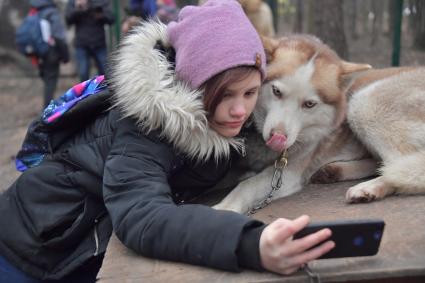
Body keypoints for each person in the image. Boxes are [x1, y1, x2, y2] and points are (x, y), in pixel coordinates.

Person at [0, 0, 334, 282]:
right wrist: (250, 243)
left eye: (249, 93)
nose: (239, 109)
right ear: (192, 83)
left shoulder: (229, 119)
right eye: (225, 93)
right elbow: (141, 214)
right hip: (26, 250)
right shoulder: (145, 126)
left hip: (79, 248)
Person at [30, 0, 70, 108]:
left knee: (47, 79)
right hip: (51, 52)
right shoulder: (52, 12)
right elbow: (58, 35)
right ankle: (47, 109)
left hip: (38, 52)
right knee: (51, 81)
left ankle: (46, 106)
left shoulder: (35, 11)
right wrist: (65, 54)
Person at [65, 0, 114, 82]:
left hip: (99, 43)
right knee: (83, 73)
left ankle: (104, 93)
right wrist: (78, 8)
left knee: (105, 74)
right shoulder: (74, 2)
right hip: (82, 44)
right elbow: (68, 19)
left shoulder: (101, 2)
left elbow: (111, 18)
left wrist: (101, 15)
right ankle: (86, 94)